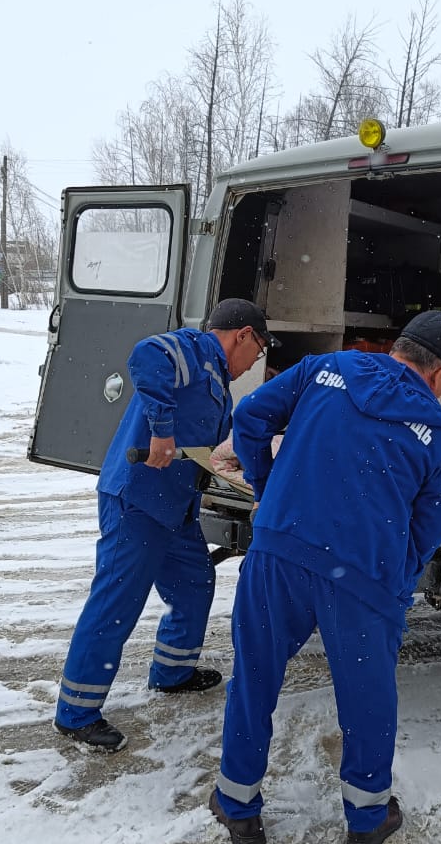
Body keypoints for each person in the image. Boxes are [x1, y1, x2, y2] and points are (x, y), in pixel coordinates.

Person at [209, 311, 441, 844]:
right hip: (362, 576)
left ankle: (238, 807)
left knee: (255, 675)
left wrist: (267, 486)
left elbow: (251, 417)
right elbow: (430, 524)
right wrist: (397, 577)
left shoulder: (324, 369)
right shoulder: (439, 434)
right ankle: (367, 818)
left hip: (279, 550)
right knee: (367, 695)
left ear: (397, 348)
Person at [54, 299, 280, 751]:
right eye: (257, 351)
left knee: (195, 583)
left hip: (174, 508)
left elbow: (208, 446)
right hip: (136, 501)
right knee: (116, 603)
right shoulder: (194, 350)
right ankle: (76, 713)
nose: (254, 361)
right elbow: (145, 355)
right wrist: (160, 430)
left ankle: (173, 671)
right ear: (243, 335)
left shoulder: (219, 384)